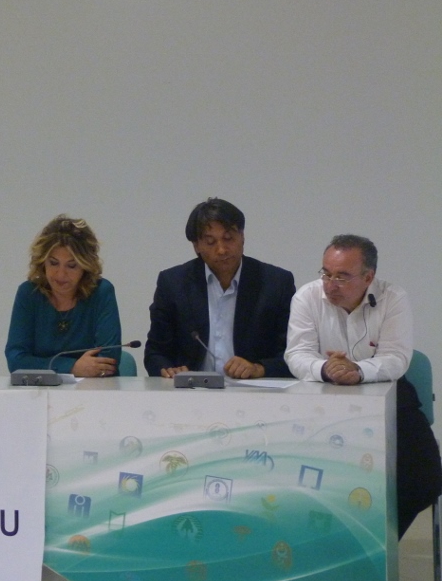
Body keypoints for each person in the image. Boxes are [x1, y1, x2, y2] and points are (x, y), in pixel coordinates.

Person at [285, 234, 442, 538]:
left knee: (425, 478)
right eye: (326, 273)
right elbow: (297, 353)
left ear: (368, 277)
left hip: (390, 395)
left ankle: (378, 543)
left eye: (342, 276)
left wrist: (358, 371)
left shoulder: (392, 298)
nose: (330, 284)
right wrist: (326, 369)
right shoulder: (307, 296)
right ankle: (330, 543)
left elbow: (396, 358)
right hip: (324, 398)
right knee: (316, 481)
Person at [145, 198, 295, 379]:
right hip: (191, 389)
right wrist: (169, 369)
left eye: (228, 238)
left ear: (242, 237)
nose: (222, 250)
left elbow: (293, 354)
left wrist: (259, 368)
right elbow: (155, 352)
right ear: (196, 246)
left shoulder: (276, 283)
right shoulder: (173, 283)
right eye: (210, 242)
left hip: (253, 389)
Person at [5, 215, 122, 376]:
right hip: (39, 389)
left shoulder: (101, 292)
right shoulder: (29, 293)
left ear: (85, 266)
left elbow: (108, 360)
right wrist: (71, 367)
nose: (61, 274)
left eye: (71, 266)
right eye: (53, 263)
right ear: (42, 262)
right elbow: (16, 360)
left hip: (94, 388)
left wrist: (45, 365)